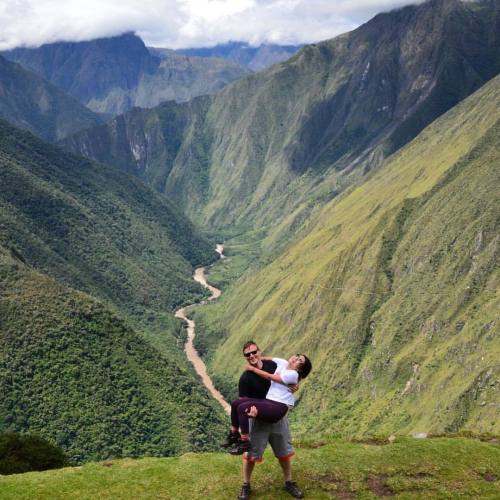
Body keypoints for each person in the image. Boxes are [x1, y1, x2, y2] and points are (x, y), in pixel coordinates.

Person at [223, 341, 311, 499]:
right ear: (245, 357)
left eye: (254, 352)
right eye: (247, 354)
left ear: (259, 351)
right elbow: (243, 401)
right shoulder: (245, 378)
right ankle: (246, 484)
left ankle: (289, 482)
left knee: (283, 451)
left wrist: (296, 385)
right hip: (258, 419)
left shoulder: (272, 366)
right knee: (251, 455)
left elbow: (291, 377)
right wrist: (251, 413)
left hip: (277, 417)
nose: (252, 356)